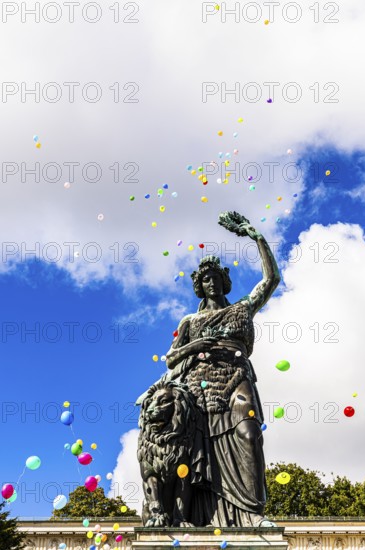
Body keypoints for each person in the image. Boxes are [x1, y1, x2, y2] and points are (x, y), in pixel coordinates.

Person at [137, 212, 280, 527]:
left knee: (249, 434)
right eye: (205, 279)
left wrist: (256, 238)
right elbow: (171, 358)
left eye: (215, 277)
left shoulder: (241, 308)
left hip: (237, 376)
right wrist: (197, 346)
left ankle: (253, 515)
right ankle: (189, 515)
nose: (211, 282)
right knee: (198, 454)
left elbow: (271, 281)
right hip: (199, 385)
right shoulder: (190, 321)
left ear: (224, 281)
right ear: (199, 286)